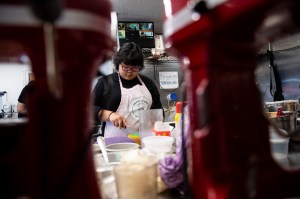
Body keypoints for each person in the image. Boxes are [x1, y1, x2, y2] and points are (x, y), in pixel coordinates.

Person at [92, 42, 163, 138]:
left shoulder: (148, 83)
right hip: (115, 142)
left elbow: (158, 109)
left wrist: (157, 122)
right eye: (125, 67)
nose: (130, 72)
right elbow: (89, 109)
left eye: (134, 68)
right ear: (118, 64)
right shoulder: (105, 83)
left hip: (145, 140)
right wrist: (110, 115)